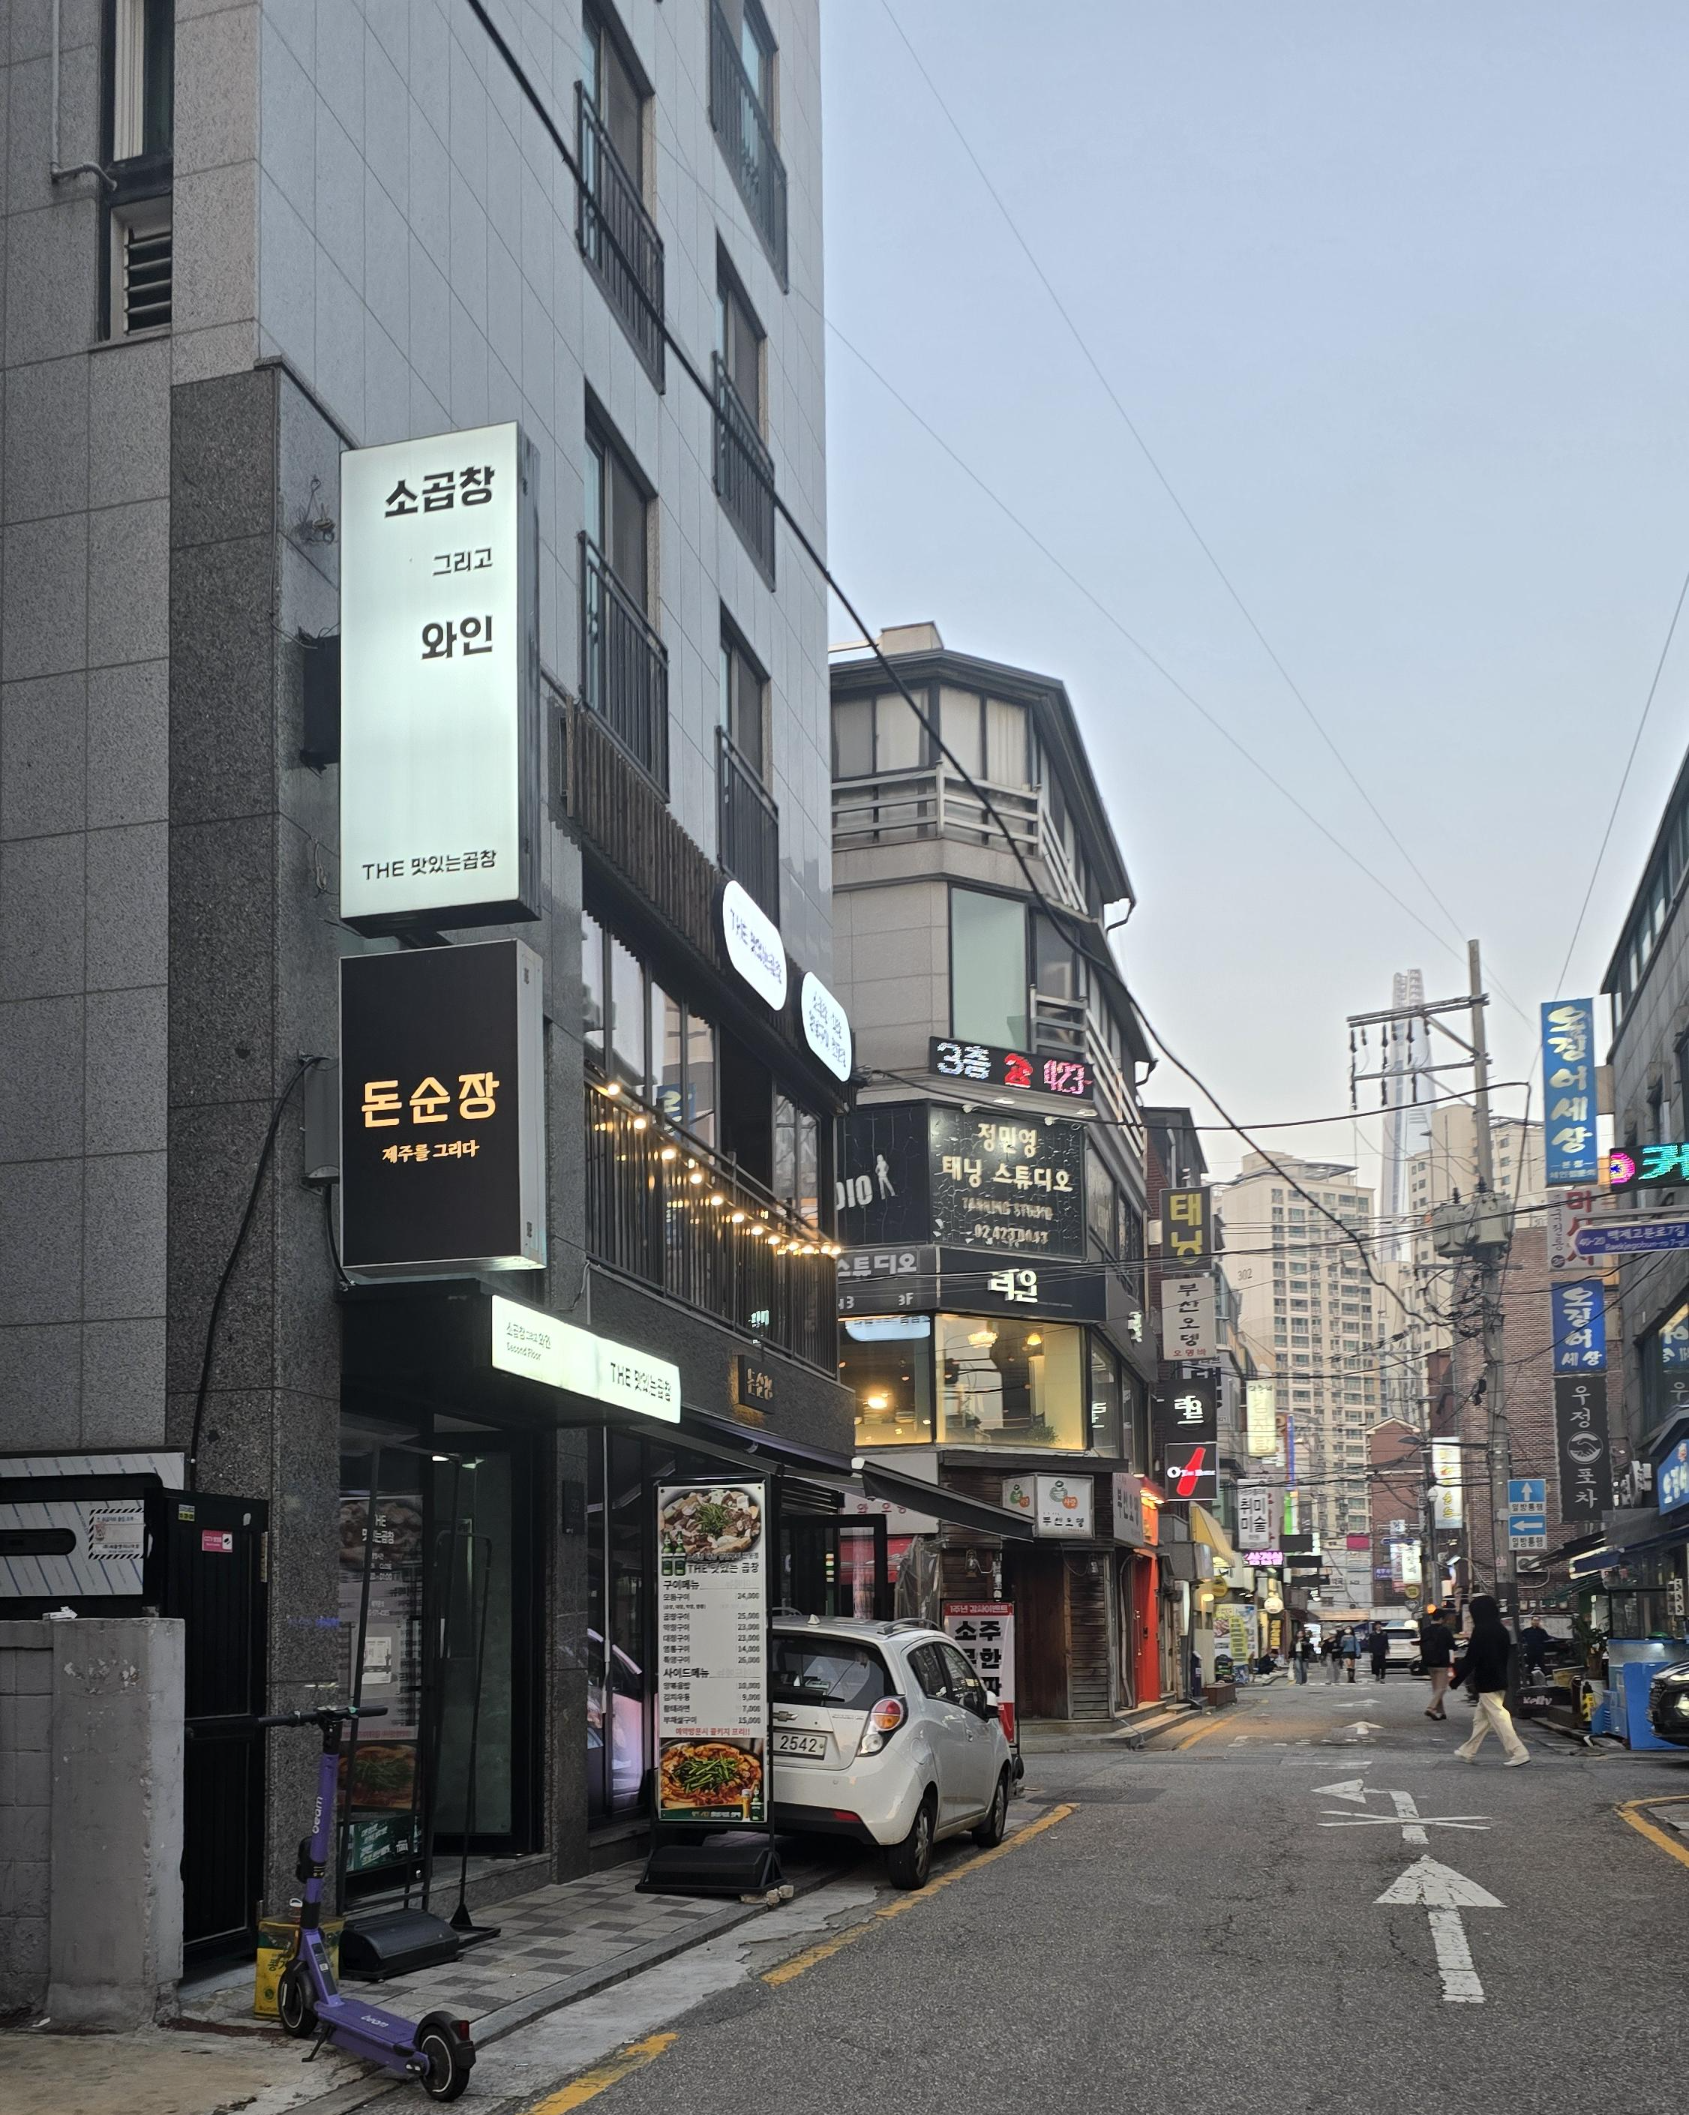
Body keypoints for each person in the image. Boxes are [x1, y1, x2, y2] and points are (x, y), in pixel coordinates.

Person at [1451, 1595, 1529, 1765]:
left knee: (1499, 1716)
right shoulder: (1501, 1629)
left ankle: (1518, 1751)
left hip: (1486, 1680)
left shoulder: (1481, 1631)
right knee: (1481, 1720)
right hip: (1500, 1677)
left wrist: (1456, 1680)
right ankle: (1468, 1751)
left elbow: (1472, 1658)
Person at [1419, 1603, 1457, 1721]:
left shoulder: (1425, 1630)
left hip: (1429, 1662)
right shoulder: (1444, 1630)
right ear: (1441, 1619)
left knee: (1436, 1688)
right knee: (1442, 1688)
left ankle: (1441, 1712)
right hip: (1442, 1663)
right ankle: (1431, 1708)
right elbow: (1452, 1646)